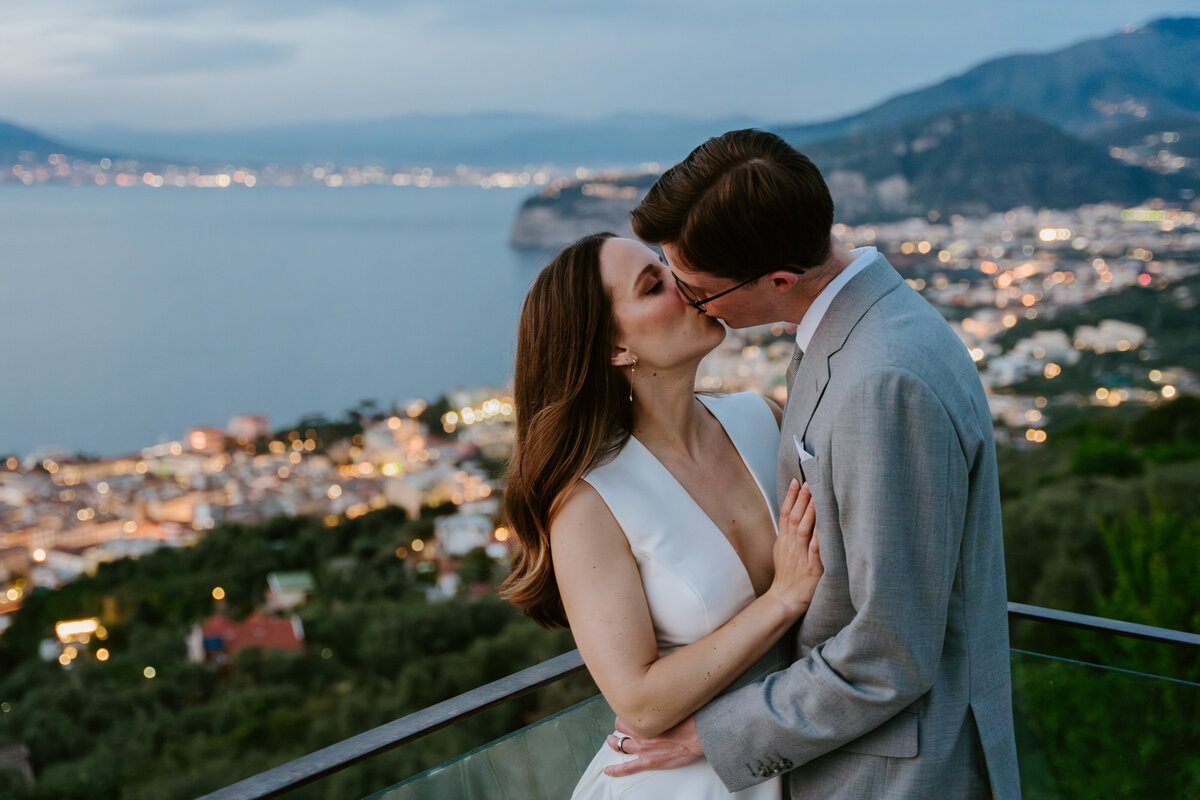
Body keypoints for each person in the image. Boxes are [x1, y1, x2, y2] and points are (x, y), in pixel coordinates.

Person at [604, 129, 1022, 799]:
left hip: (895, 775)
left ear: (777, 280)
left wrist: (717, 734)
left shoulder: (882, 383)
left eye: (698, 289)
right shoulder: (860, 330)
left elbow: (891, 651)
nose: (685, 301)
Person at [501, 231, 824, 799]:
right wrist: (783, 598)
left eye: (667, 266)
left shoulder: (763, 420)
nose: (688, 285)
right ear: (614, 349)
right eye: (656, 286)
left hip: (798, 760)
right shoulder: (589, 501)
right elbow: (641, 705)